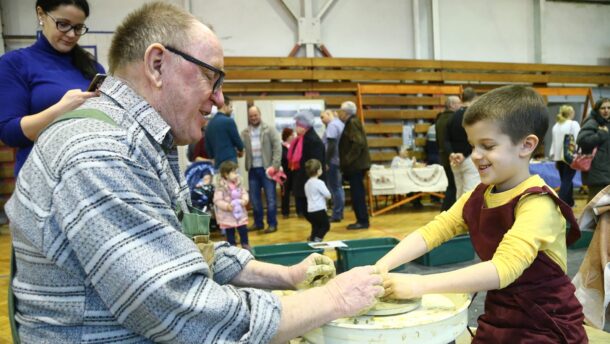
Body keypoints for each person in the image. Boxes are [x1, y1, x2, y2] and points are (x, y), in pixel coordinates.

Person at [5, 3, 384, 343]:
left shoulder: (140, 143)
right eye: (211, 78)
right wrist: (334, 299)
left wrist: (286, 277)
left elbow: (186, 248)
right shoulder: (102, 153)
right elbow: (183, 312)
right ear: (157, 65)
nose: (220, 99)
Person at [376, 85, 586, 343]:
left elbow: (503, 268)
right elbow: (433, 231)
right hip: (500, 315)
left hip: (546, 324)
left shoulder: (538, 203)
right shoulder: (479, 195)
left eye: (487, 145)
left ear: (526, 145)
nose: (475, 156)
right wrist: (379, 268)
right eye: (473, 145)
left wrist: (419, 284)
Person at [0, 0, 105, 176]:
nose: (71, 34)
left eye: (78, 28)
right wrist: (61, 109)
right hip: (40, 177)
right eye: (63, 24)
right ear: (41, 15)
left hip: (88, 173)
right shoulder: (14, 64)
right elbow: (10, 133)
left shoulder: (93, 68)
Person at [241, 105, 282, 233]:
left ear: (260, 115)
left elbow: (277, 148)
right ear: (249, 117)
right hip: (253, 169)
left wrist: (275, 166)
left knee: (270, 199)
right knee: (254, 199)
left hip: (268, 170)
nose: (253, 118)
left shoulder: (269, 130)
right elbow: (240, 148)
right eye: (251, 116)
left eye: (255, 115)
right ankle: (258, 223)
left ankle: (272, 224)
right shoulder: (245, 133)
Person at [338, 101, 371, 230]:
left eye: (341, 111)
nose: (339, 113)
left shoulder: (352, 123)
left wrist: (347, 159)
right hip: (356, 165)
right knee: (357, 193)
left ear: (346, 113)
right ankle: (361, 219)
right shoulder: (352, 122)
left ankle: (362, 221)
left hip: (356, 166)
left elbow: (358, 143)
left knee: (357, 194)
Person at [288, 111, 326, 219]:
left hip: (310, 182)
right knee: (308, 213)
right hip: (304, 181)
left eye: (297, 125)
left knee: (312, 214)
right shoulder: (302, 139)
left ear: (303, 127)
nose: (295, 128)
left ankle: (317, 234)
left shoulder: (312, 140)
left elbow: (315, 164)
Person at [445, 87, 481, 198]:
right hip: (468, 158)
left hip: (454, 160)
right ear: (475, 99)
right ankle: (468, 216)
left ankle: (459, 215)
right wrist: (464, 154)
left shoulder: (452, 117)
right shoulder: (474, 117)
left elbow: (445, 139)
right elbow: (475, 139)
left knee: (459, 193)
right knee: (470, 193)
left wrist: (452, 154)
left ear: (461, 98)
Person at [577, 98, 610, 202]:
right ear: (597, 110)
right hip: (597, 172)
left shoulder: (607, 123)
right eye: (603, 108)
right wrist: (601, 134)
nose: (606, 110)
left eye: (609, 108)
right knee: (595, 204)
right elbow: (582, 140)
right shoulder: (592, 122)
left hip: (606, 170)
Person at [213, 160, 250, 250]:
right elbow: (217, 200)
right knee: (230, 234)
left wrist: (245, 200)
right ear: (226, 174)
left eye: (236, 172)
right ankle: (233, 249)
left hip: (240, 215)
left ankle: (245, 246)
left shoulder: (238, 183)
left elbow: (244, 193)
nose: (236, 174)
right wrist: (226, 206)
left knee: (243, 231)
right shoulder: (220, 186)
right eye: (234, 172)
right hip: (227, 217)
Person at [549, 105, 580, 206]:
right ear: (571, 113)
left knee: (565, 180)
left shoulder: (556, 125)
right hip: (570, 157)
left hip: (559, 158)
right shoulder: (573, 124)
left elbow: (553, 142)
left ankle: (569, 202)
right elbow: (578, 140)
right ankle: (560, 203)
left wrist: (552, 155)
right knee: (567, 181)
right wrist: (579, 153)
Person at [435, 95, 461, 211]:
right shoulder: (453, 119)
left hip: (444, 156)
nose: (460, 106)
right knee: (454, 187)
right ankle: (446, 213)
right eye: (458, 103)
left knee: (452, 186)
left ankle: (446, 212)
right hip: (453, 157)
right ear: (452, 105)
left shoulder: (439, 119)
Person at [205, 95, 244, 168]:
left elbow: (208, 148)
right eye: (230, 106)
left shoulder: (209, 125)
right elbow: (238, 142)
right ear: (225, 105)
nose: (232, 109)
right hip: (230, 164)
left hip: (217, 165)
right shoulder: (229, 121)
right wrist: (241, 150)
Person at [321, 109, 345, 223]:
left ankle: (336, 214)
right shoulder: (340, 124)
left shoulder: (332, 126)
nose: (321, 120)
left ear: (329, 114)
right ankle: (340, 212)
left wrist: (326, 161)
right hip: (339, 160)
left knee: (335, 188)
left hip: (333, 161)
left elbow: (331, 145)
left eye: (323, 117)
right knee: (339, 188)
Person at [304, 159, 332, 242]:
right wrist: (328, 197)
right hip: (319, 209)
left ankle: (312, 239)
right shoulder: (319, 183)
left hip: (310, 210)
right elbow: (328, 195)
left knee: (315, 226)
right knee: (325, 226)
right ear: (318, 171)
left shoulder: (307, 183)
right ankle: (317, 239)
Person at [280, 127, 296, 218]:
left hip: (294, 173)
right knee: (285, 194)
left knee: (297, 192)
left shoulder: (295, 146)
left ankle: (300, 211)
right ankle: (285, 213)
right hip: (285, 173)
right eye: (291, 135)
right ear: (287, 136)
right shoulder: (281, 147)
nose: (293, 136)